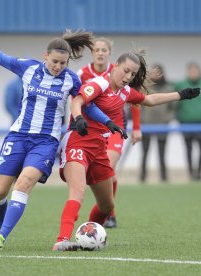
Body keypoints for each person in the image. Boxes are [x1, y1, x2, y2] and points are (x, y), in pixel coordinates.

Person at [0, 29, 122, 251]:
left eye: (63, 63)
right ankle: (1, 226)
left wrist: (107, 122)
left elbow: (87, 103)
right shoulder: (28, 68)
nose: (58, 66)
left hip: (46, 142)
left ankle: (1, 237)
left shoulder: (71, 79)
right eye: (55, 61)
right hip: (18, 136)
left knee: (24, 183)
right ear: (45, 56)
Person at [54, 49, 200, 251]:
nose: (128, 77)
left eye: (132, 74)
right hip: (78, 142)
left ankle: (87, 235)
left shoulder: (125, 92)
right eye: (126, 71)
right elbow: (77, 101)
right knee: (77, 193)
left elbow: (149, 100)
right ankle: (61, 240)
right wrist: (78, 118)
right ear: (115, 66)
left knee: (107, 206)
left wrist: (181, 95)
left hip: (99, 148)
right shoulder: (99, 83)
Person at [77, 37, 143, 228]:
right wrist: (72, 127)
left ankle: (109, 214)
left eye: (104, 50)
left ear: (109, 53)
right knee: (103, 174)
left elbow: (136, 99)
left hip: (115, 127)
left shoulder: (121, 71)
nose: (100, 53)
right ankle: (106, 211)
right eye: (96, 50)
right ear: (92, 53)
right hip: (92, 128)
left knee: (108, 169)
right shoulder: (82, 74)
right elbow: (77, 100)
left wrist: (137, 127)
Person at [140, 64, 176, 182]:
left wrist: (167, 119)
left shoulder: (169, 88)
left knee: (162, 153)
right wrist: (142, 119)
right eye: (153, 72)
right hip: (146, 125)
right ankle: (143, 176)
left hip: (162, 126)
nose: (155, 75)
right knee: (145, 152)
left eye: (158, 72)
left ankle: (164, 177)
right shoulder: (144, 88)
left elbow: (173, 107)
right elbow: (137, 105)